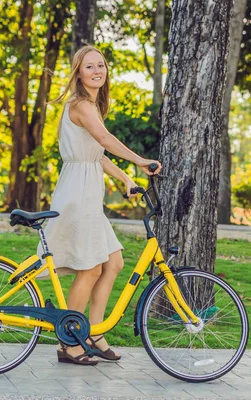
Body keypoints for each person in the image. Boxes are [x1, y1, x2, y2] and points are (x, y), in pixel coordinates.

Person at [37, 45, 162, 366]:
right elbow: (105, 140)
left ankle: (92, 333)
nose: (97, 71)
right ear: (78, 72)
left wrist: (124, 178)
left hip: (87, 189)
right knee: (90, 267)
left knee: (114, 262)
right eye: (89, 66)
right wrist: (141, 161)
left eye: (101, 66)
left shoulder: (90, 105)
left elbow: (97, 153)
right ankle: (70, 340)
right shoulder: (80, 105)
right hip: (78, 194)